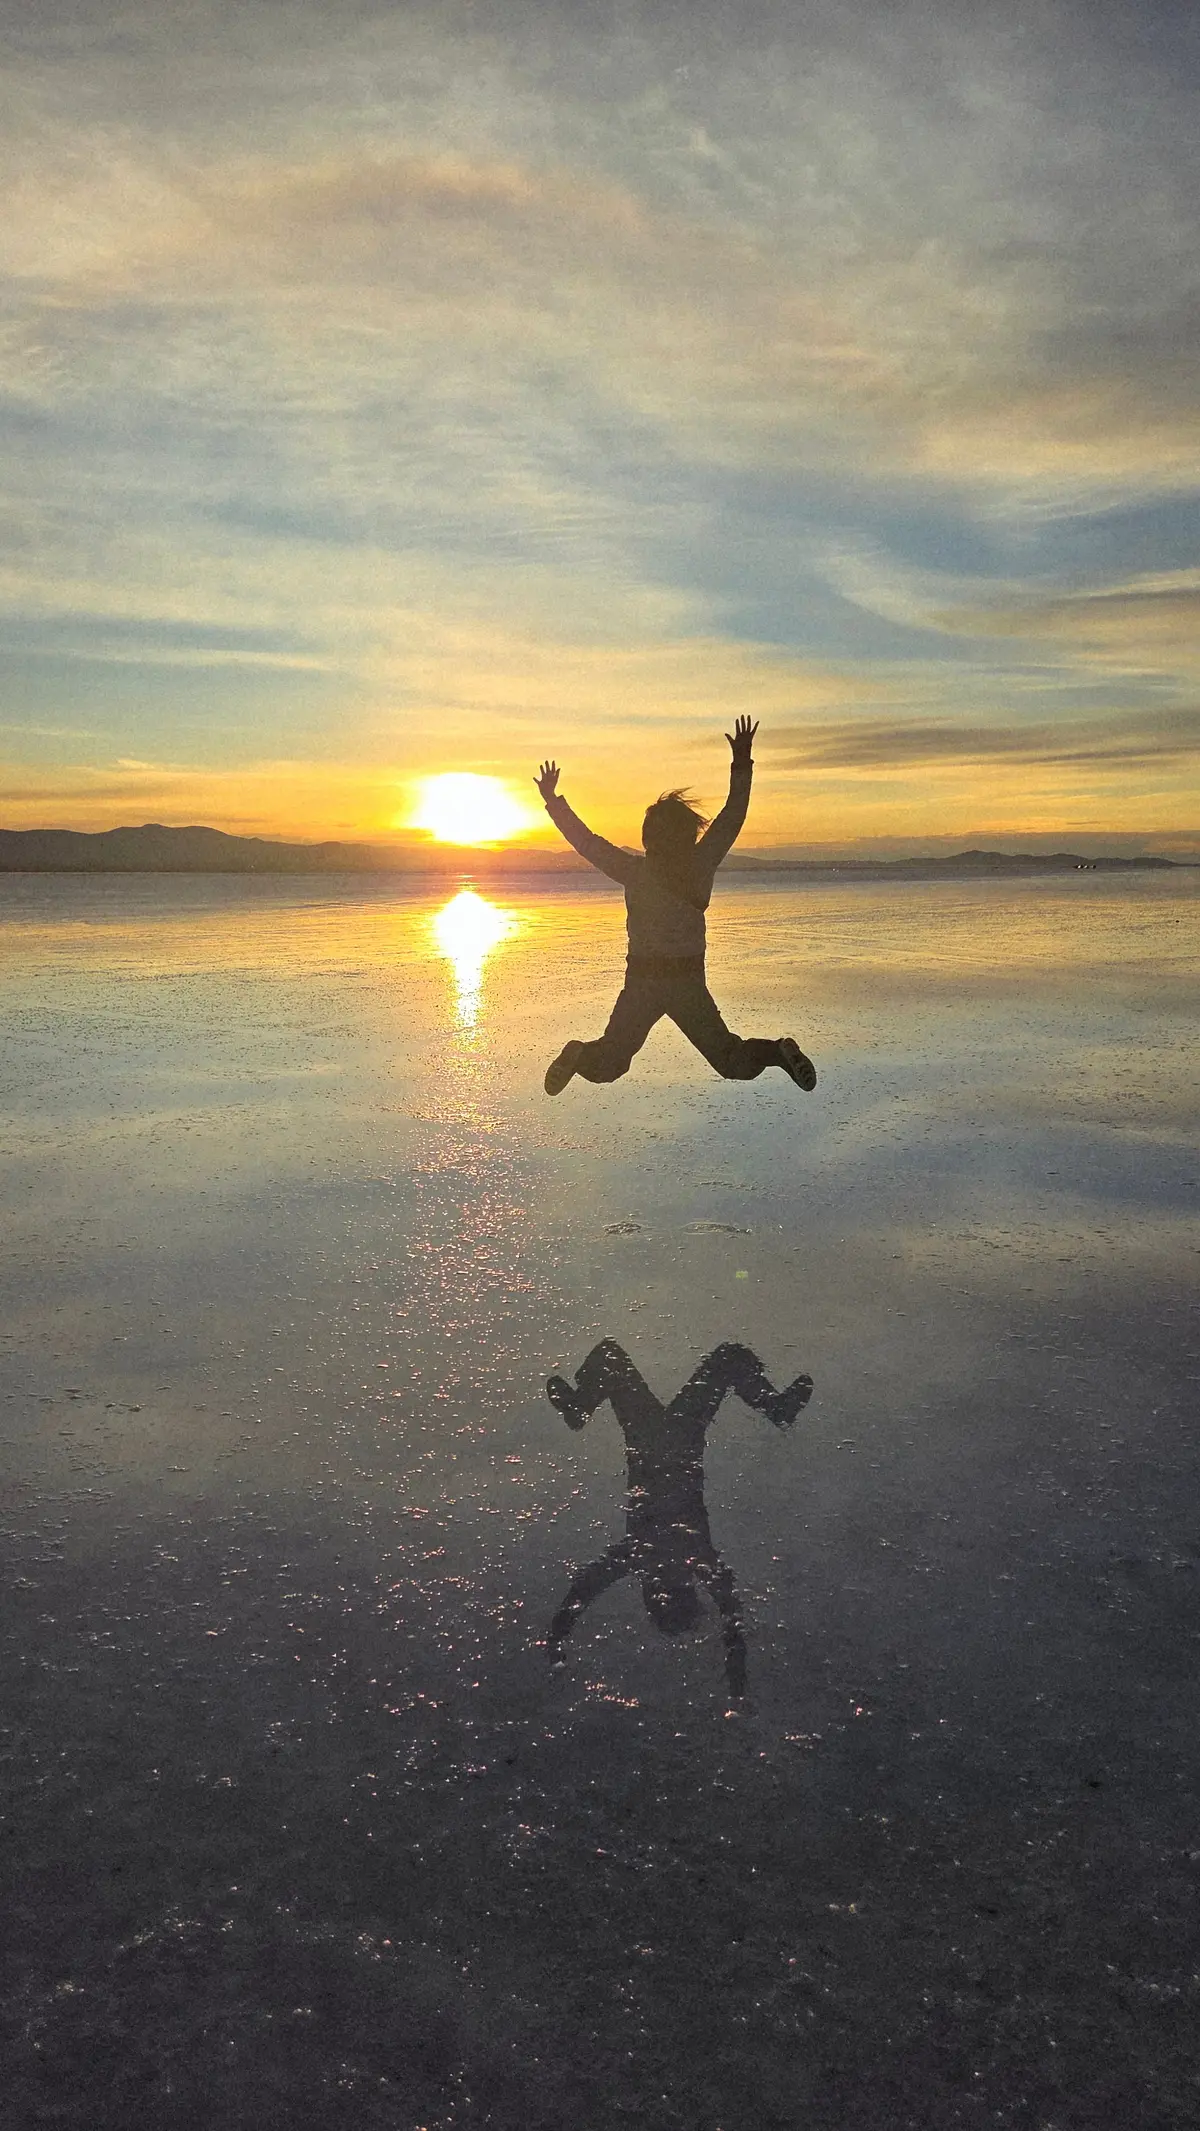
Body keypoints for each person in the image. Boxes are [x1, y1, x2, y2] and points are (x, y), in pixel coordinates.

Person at [535, 718, 817, 1095]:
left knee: (610, 1063)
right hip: (686, 983)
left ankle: (579, 1055)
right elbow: (733, 816)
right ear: (688, 835)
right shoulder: (699, 866)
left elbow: (587, 842)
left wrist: (554, 802)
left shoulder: (634, 870)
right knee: (730, 1059)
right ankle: (778, 1053)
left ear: (648, 838)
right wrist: (742, 762)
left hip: (644, 984)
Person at [544, 1338, 814, 1703]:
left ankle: (776, 1407)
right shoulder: (643, 1557)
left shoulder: (682, 1558)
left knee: (721, 1359)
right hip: (657, 1439)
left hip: (672, 1438)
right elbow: (585, 1590)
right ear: (657, 1595)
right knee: (621, 1357)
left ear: (687, 1591)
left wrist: (738, 1680)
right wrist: (557, 1636)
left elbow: (731, 1619)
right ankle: (580, 1407)